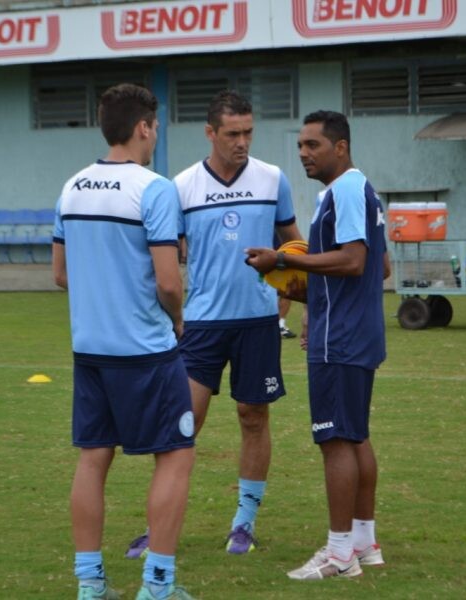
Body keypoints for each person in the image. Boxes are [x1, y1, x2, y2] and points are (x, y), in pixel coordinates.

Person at [125, 89, 302, 559]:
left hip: (257, 323)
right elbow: (163, 255)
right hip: (199, 325)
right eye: (232, 134)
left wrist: (288, 282)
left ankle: (243, 524)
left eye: (248, 132)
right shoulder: (180, 186)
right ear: (210, 133)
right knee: (183, 423)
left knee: (253, 417)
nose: (241, 141)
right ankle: (156, 528)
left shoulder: (273, 179)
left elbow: (294, 245)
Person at [52, 83, 196, 600]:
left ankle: (91, 586)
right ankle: (158, 587)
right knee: (176, 455)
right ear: (143, 128)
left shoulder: (70, 188)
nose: (155, 135)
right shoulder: (154, 189)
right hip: (144, 350)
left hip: (89, 350)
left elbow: (61, 274)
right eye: (155, 126)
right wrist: (178, 320)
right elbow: (168, 282)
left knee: (93, 458)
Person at [245, 110, 389, 580]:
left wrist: (283, 258)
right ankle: (364, 544)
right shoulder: (359, 190)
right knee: (355, 435)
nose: (304, 153)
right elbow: (379, 268)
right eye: (301, 146)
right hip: (355, 329)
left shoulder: (345, 189)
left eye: (314, 145)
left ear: (340, 147)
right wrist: (291, 286)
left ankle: (339, 554)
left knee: (334, 441)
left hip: (340, 338)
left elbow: (353, 261)